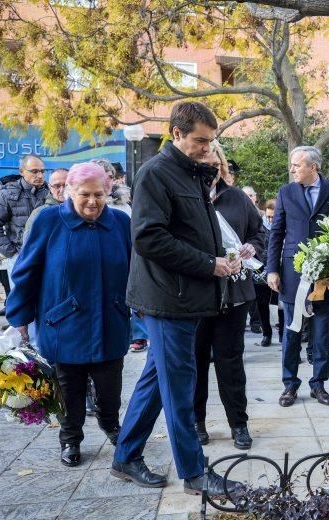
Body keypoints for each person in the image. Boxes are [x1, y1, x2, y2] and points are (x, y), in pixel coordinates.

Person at [111, 102, 244, 499]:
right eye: (200, 140)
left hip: (182, 297)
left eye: (211, 141)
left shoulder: (188, 172)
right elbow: (149, 238)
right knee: (179, 388)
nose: (208, 148)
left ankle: (126, 456)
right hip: (168, 299)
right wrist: (210, 264)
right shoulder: (156, 173)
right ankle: (194, 473)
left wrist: (223, 258)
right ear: (175, 134)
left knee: (156, 380)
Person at [6, 162, 131, 467]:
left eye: (99, 194)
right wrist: (19, 316)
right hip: (64, 322)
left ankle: (111, 425)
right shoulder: (49, 220)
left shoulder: (121, 222)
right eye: (85, 194)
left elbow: (135, 271)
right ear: (69, 192)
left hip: (110, 318)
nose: (92, 201)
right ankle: (71, 438)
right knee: (69, 389)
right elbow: (26, 270)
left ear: (109, 192)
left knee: (110, 388)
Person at [192, 141, 265, 450]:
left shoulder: (236, 198)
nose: (211, 165)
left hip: (233, 294)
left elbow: (259, 233)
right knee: (194, 364)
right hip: (194, 294)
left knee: (230, 362)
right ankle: (196, 423)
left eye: (216, 160)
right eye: (204, 159)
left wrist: (252, 247)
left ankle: (239, 423)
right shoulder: (184, 195)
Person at [266, 146, 329, 408]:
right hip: (293, 274)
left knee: (322, 333)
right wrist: (272, 269)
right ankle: (290, 385)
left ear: (313, 167)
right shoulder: (286, 192)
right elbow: (276, 233)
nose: (292, 170)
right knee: (291, 332)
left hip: (325, 276)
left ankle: (318, 384)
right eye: (292, 165)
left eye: (296, 165)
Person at [0, 155, 49, 282]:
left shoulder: (50, 192)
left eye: (42, 171)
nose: (40, 175)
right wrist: (12, 254)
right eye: (34, 171)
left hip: (48, 258)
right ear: (21, 171)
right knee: (20, 300)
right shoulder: (7, 194)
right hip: (20, 259)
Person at [253, 198, 281, 346]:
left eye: (273, 217)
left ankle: (283, 333)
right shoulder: (260, 225)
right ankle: (266, 333)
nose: (270, 219)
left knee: (281, 304)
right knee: (262, 304)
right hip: (260, 269)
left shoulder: (284, 226)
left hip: (278, 269)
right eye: (268, 216)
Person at [23, 168, 68, 242]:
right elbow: (29, 246)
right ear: (50, 187)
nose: (62, 190)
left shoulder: (82, 211)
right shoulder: (39, 213)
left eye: (66, 185)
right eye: (57, 186)